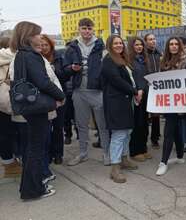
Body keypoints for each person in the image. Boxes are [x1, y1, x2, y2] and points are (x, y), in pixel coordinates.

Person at [9, 21, 65, 200]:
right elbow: (43, 82)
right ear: (28, 36)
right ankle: (34, 190)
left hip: (29, 106)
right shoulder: (31, 56)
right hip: (36, 107)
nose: (40, 37)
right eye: (37, 34)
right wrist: (60, 96)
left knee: (33, 148)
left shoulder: (20, 55)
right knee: (36, 149)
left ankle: (29, 188)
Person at [63, 18, 110, 166]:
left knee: (102, 125)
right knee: (81, 125)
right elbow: (64, 69)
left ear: (93, 29)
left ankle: (107, 154)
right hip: (79, 91)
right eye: (84, 28)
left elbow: (108, 68)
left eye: (89, 28)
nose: (87, 31)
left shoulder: (101, 46)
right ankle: (83, 153)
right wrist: (71, 68)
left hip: (97, 91)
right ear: (79, 29)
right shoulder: (72, 47)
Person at [102, 35, 141, 183]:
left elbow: (130, 78)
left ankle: (124, 159)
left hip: (126, 102)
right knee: (119, 135)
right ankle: (115, 167)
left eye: (121, 43)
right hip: (115, 103)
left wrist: (136, 90)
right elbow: (117, 81)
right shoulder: (108, 61)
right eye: (115, 43)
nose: (119, 45)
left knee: (127, 132)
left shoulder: (122, 59)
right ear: (109, 46)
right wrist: (135, 91)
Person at [155, 37, 186, 176]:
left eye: (176, 44)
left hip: (181, 101)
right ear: (168, 47)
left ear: (180, 46)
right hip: (168, 101)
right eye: (171, 44)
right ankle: (180, 156)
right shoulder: (163, 61)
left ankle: (163, 162)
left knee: (169, 130)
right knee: (174, 129)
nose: (174, 46)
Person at [40, 34, 69, 165]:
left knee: (58, 126)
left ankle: (58, 153)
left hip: (59, 95)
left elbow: (64, 76)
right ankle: (46, 153)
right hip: (43, 97)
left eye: (46, 45)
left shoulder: (58, 57)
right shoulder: (36, 59)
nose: (44, 47)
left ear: (51, 45)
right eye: (41, 45)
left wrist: (58, 72)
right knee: (45, 127)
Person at [0, 37, 21, 178]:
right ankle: (13, 162)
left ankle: (8, 163)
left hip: (1, 103)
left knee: (4, 134)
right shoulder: (17, 58)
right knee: (14, 132)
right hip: (13, 101)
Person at [127, 37, 150, 162]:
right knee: (137, 124)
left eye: (141, 45)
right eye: (136, 45)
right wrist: (137, 91)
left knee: (144, 123)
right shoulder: (129, 61)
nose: (139, 47)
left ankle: (143, 148)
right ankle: (135, 151)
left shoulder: (144, 60)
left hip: (145, 95)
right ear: (132, 46)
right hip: (135, 96)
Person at [144, 33, 162, 149]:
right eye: (150, 39)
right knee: (145, 115)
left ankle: (155, 138)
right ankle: (144, 138)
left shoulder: (159, 54)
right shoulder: (143, 55)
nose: (153, 41)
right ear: (145, 42)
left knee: (156, 115)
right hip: (146, 87)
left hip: (157, 88)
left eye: (154, 39)